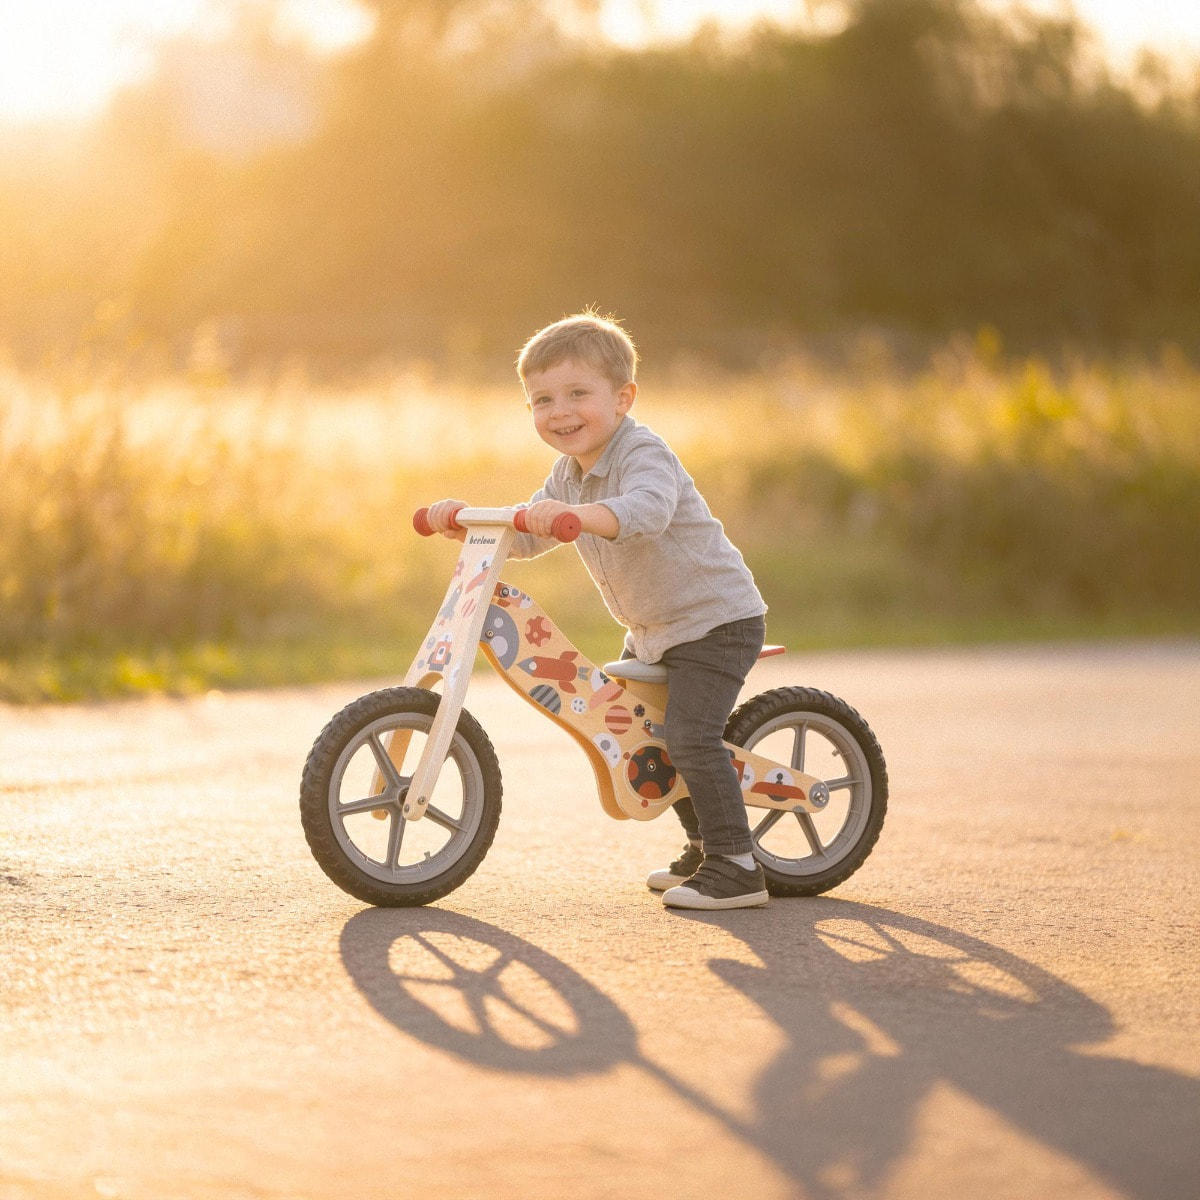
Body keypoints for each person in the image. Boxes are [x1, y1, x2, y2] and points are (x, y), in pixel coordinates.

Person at [424, 310, 769, 910]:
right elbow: (531, 534)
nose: (559, 412)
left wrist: (576, 516)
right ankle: (705, 847)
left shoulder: (643, 452)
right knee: (651, 737)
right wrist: (470, 524)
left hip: (714, 622)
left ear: (623, 398)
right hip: (654, 630)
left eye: (577, 394)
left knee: (689, 737)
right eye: (542, 400)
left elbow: (646, 510)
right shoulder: (567, 474)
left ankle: (738, 865)